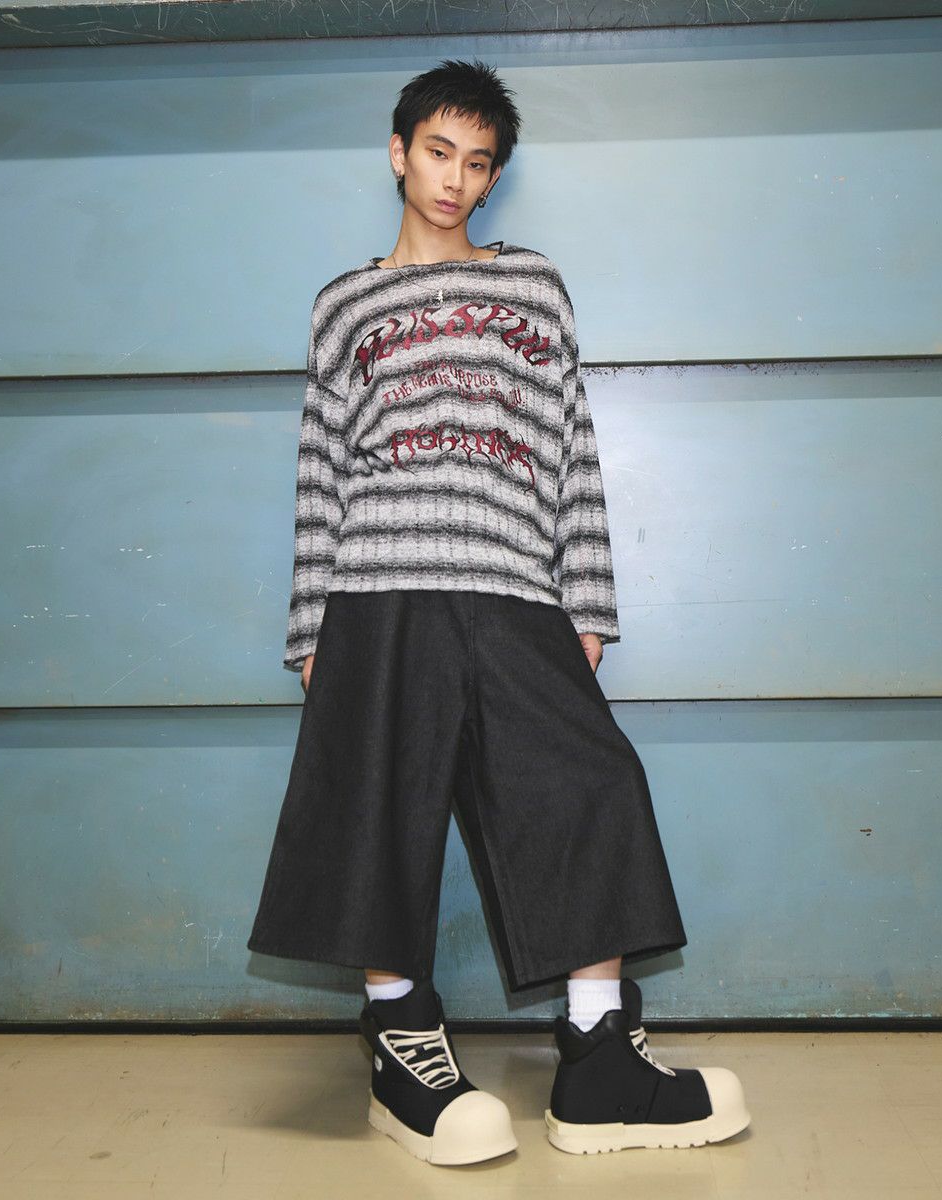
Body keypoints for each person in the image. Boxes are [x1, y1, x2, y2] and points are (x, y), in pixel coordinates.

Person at [247, 57, 750, 1164]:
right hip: (376, 584)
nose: (454, 179)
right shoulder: (343, 304)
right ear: (398, 152)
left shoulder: (534, 287)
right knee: (382, 801)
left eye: (478, 163)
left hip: (515, 582)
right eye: (438, 152)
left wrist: (588, 601)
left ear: (493, 178)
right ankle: (401, 1044)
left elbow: (572, 450)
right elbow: (320, 472)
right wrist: (309, 630)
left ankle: (599, 1062)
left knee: (591, 783)